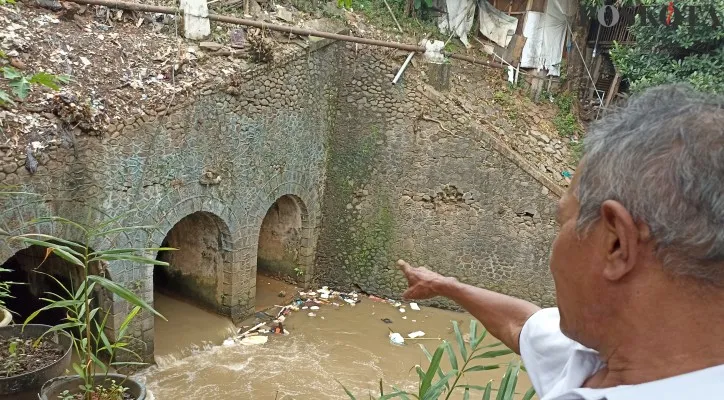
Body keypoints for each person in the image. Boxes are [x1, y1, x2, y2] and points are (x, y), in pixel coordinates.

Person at [397, 84, 724, 400]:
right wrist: (447, 286)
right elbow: (522, 323)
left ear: (617, 245)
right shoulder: (602, 356)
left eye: (562, 221)